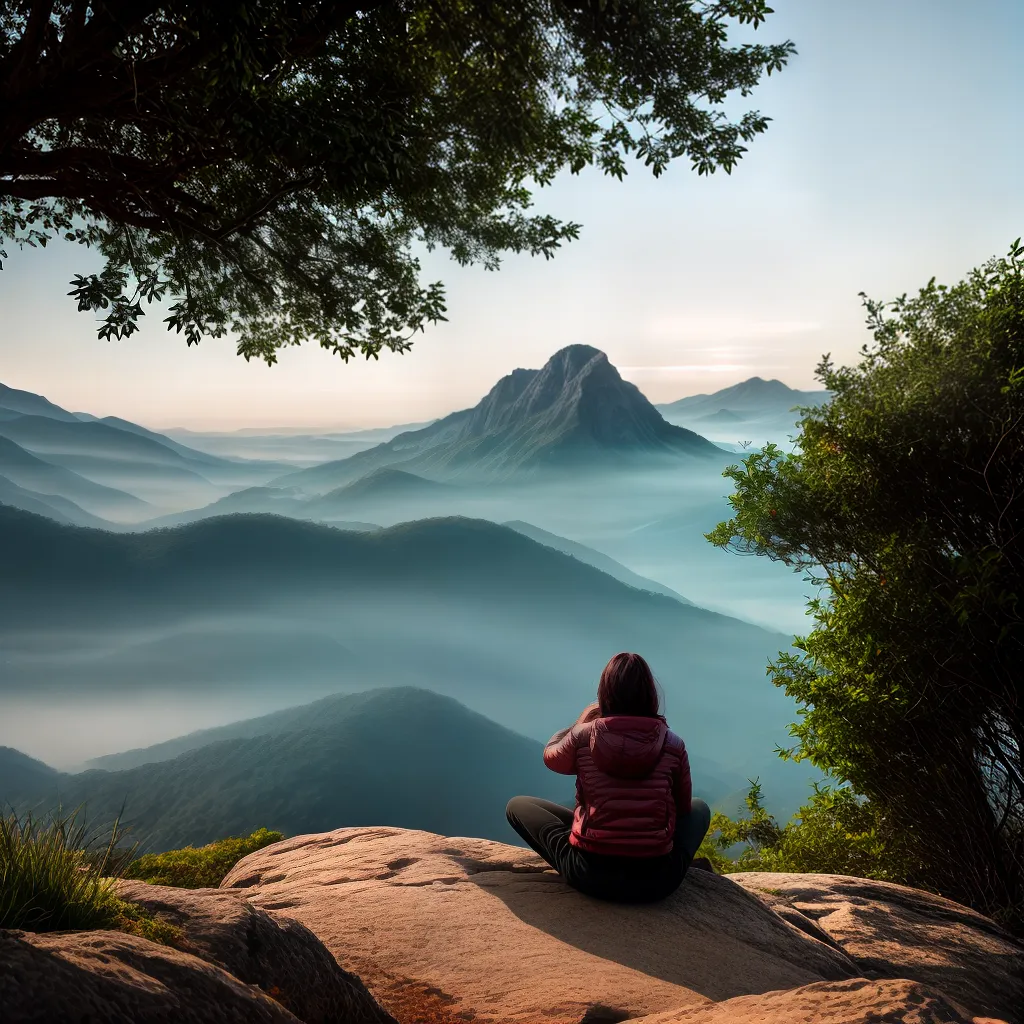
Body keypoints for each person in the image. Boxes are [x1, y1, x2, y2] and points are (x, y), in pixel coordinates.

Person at [506, 651, 712, 902]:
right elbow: (682, 808)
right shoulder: (673, 744)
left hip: (590, 874)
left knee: (518, 806)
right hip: (656, 882)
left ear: (605, 693)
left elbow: (551, 757)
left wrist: (581, 721)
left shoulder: (583, 736)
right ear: (650, 694)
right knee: (699, 808)